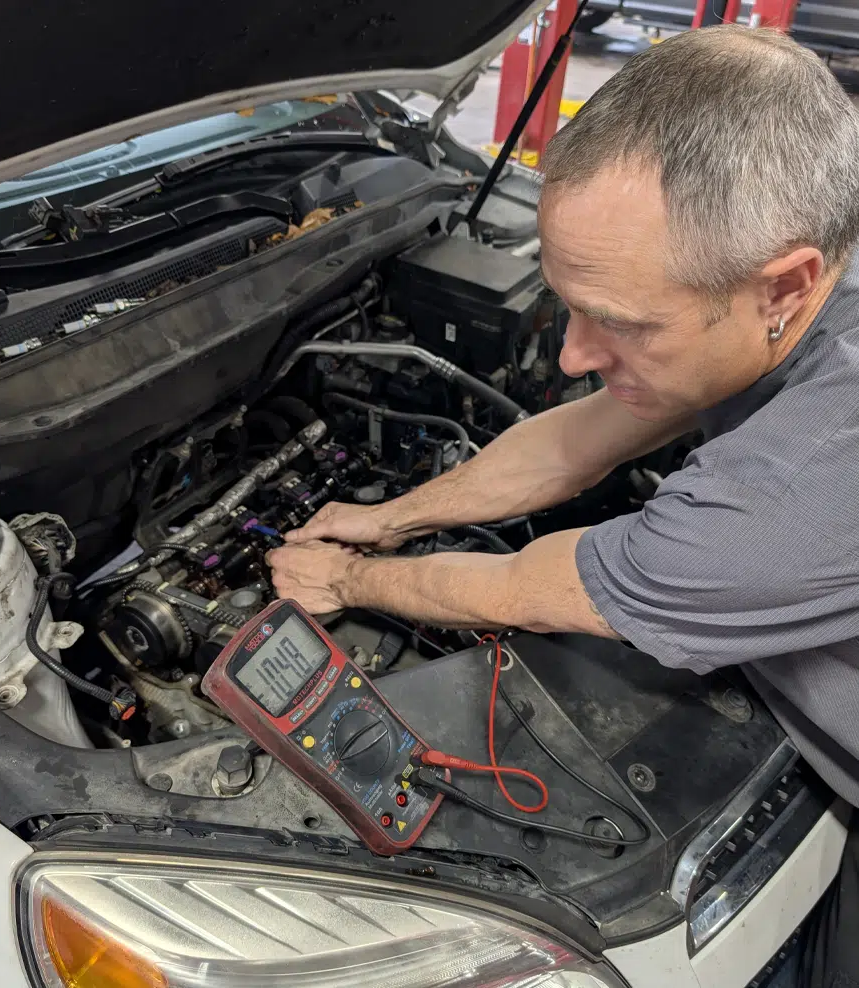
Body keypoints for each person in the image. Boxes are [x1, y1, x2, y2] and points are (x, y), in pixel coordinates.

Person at [267, 25, 859, 985]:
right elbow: (580, 438)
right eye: (568, 304)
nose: (575, 354)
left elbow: (531, 589)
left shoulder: (800, 484)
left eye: (620, 322)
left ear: (783, 285)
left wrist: (351, 578)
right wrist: (386, 516)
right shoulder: (801, 268)